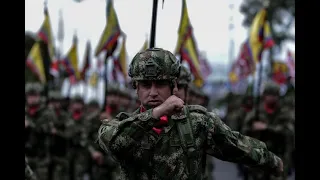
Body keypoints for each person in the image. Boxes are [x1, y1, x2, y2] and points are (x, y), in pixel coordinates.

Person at [98, 48, 283, 180]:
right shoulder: (119, 126)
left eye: (160, 84)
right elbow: (115, 143)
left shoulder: (197, 122)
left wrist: (271, 161)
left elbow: (237, 146)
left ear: (174, 86)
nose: (153, 92)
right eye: (146, 85)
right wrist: (156, 113)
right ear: (136, 89)